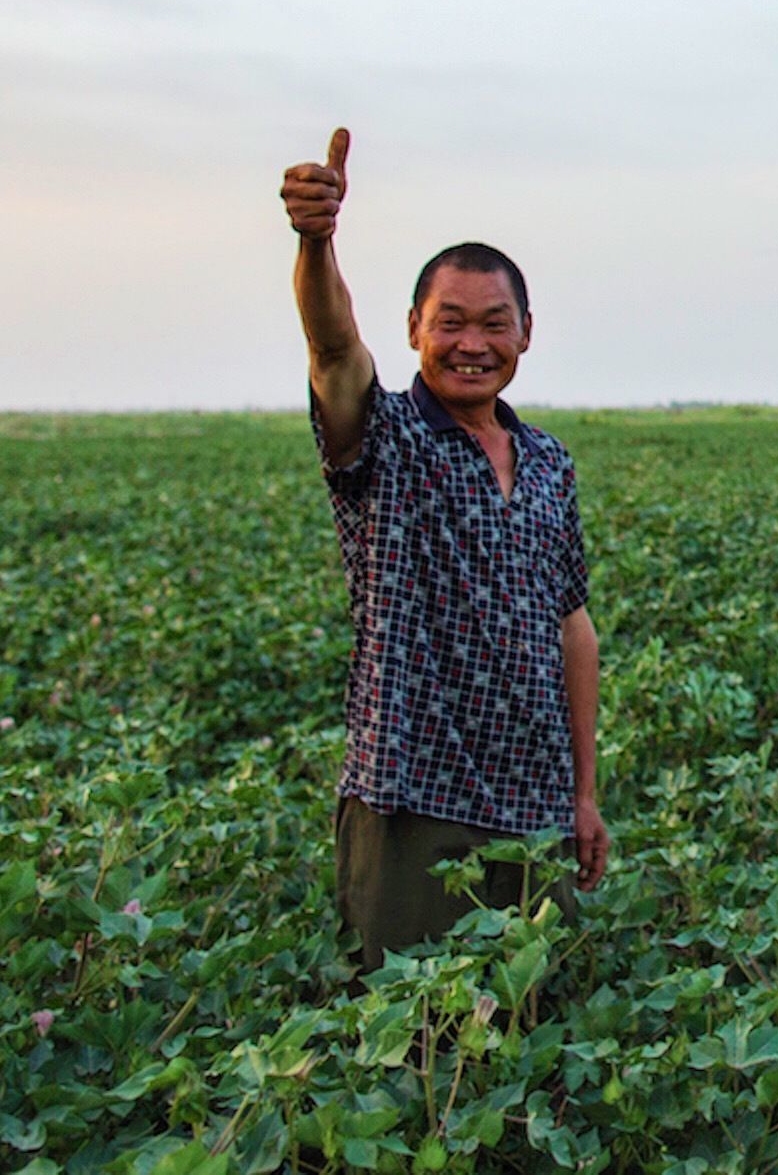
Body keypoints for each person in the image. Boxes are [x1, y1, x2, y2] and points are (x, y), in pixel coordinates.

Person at [279, 126, 608, 968]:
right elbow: (331, 345)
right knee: (411, 1043)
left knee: (532, 1027)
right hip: (412, 799)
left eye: (494, 324)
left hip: (533, 798)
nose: (473, 343)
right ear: (414, 330)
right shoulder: (387, 439)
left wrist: (583, 793)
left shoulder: (547, 463)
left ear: (527, 332)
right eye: (450, 322)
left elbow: (573, 625)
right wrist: (318, 245)